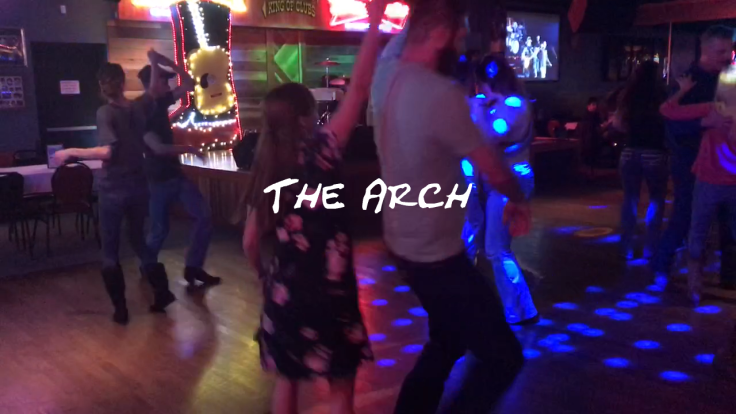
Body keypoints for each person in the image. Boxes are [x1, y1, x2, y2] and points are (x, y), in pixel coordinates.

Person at [371, 1, 531, 413]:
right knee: (503, 356)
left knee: (446, 340)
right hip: (437, 256)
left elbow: (398, 41)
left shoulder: (385, 75)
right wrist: (517, 199)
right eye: (458, 33)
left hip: (404, 245)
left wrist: (379, 21)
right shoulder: (441, 95)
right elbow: (493, 167)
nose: (462, 43)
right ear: (440, 33)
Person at [241, 1, 388, 413]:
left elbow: (250, 241)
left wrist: (263, 277)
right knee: (341, 383)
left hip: (285, 292)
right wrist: (374, 22)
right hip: (332, 291)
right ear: (306, 117)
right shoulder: (324, 150)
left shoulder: (267, 166)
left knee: (287, 381)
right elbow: (359, 89)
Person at [53, 54, 175, 325]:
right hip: (139, 186)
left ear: (101, 85)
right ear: (122, 83)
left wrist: (71, 151)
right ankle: (162, 291)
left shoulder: (105, 113)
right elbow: (154, 90)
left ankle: (121, 310)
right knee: (138, 240)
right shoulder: (139, 108)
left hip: (113, 189)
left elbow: (108, 151)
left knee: (110, 250)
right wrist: (154, 62)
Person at [653, 26, 736, 289]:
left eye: (729, 50)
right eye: (721, 51)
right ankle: (662, 269)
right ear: (705, 49)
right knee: (685, 216)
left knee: (727, 223)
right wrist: (705, 123)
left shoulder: (729, 79)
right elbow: (670, 125)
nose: (727, 56)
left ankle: (729, 277)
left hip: (726, 164)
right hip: (691, 163)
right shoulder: (688, 81)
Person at [463, 54, 538, 325]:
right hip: (494, 182)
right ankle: (518, 309)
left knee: (497, 249)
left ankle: (520, 311)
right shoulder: (498, 104)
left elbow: (489, 135)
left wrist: (478, 108)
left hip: (511, 182)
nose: (478, 89)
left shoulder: (514, 105)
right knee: (484, 244)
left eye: (480, 84)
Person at [138, 52, 221, 290]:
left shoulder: (161, 102)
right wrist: (189, 148)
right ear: (152, 83)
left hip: (175, 175)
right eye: (163, 80)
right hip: (157, 179)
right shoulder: (141, 110)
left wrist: (169, 63)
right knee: (160, 230)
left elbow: (189, 84)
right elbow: (157, 148)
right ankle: (147, 266)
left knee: (203, 217)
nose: (168, 84)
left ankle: (193, 267)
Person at [612, 61, 669, 260]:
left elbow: (618, 124)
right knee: (656, 199)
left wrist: (633, 129)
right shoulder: (663, 94)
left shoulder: (628, 95)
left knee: (630, 199)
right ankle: (650, 248)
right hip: (655, 151)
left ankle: (627, 248)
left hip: (630, 151)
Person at [578, 97, 603, 177]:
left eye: (596, 105)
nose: (595, 106)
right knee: (587, 157)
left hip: (594, 138)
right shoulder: (586, 116)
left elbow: (598, 126)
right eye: (593, 104)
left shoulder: (596, 115)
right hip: (587, 139)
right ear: (588, 106)